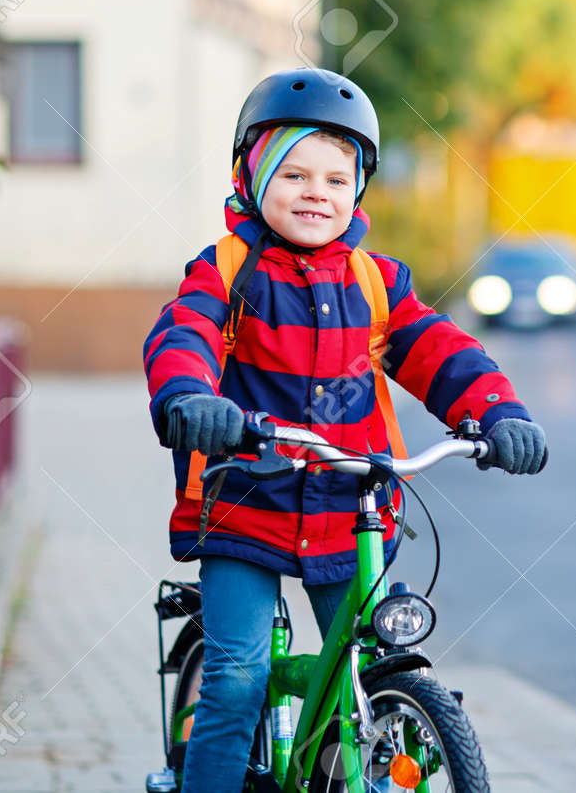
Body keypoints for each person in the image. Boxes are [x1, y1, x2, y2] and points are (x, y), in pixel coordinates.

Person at [142, 67, 547, 792]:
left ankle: (342, 768)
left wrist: (496, 411)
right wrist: (189, 396)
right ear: (251, 176)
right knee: (238, 676)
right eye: (293, 174)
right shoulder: (228, 269)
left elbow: (437, 349)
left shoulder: (375, 282)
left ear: (357, 190)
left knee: (364, 665)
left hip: (348, 505)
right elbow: (185, 334)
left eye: (335, 178)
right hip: (246, 500)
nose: (315, 193)